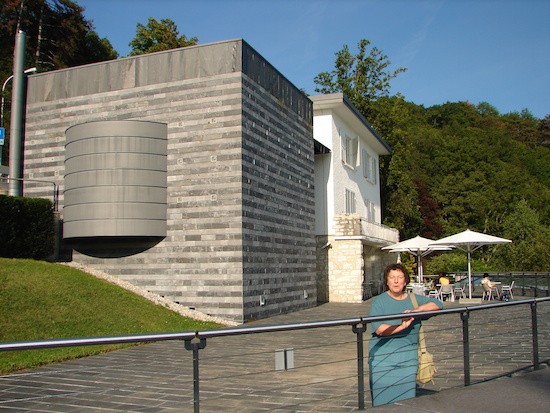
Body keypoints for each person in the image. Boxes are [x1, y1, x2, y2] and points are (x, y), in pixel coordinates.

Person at [368, 263, 444, 407]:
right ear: (387, 281)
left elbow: (438, 304)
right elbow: (379, 329)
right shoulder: (379, 301)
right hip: (382, 359)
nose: (396, 281)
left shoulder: (414, 299)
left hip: (408, 359)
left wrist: (417, 311)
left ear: (405, 280)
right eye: (392, 277)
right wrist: (400, 327)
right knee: (382, 402)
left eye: (399, 277)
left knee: (405, 402)